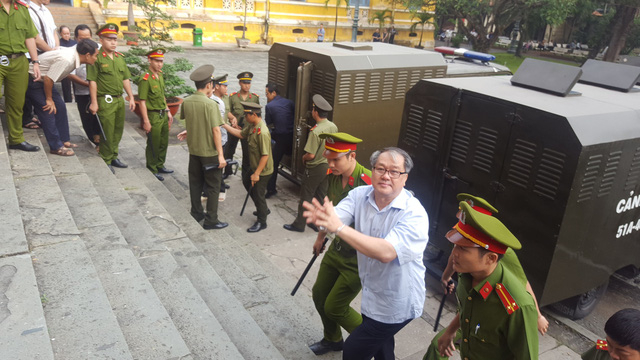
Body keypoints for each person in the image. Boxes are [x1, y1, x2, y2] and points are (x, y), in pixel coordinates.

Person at [302, 147, 429, 360]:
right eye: (381, 168)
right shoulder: (360, 195)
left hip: (396, 302)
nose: (386, 175)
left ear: (404, 178)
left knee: (353, 351)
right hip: (372, 295)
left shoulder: (414, 214)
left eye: (394, 171)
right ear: (372, 170)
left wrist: (338, 228)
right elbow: (338, 215)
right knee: (383, 347)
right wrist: (326, 219)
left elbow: (386, 252)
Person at [423, 201, 539, 360]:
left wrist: (539, 316)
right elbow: (468, 309)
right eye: (455, 245)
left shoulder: (516, 307)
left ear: (491, 258)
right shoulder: (467, 274)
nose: (454, 253)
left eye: (463, 248)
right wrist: (450, 331)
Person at [440, 193, 550, 336]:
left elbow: (522, 282)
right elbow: (452, 257)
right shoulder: (465, 245)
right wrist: (446, 277)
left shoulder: (502, 251)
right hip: (468, 303)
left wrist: (538, 316)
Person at [308, 132, 372, 356]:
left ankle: (374, 341)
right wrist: (320, 237)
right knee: (319, 295)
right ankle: (332, 339)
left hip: (358, 259)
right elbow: (332, 211)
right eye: (329, 158)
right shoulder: (333, 177)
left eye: (336, 159)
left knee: (335, 306)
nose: (331, 163)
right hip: (336, 250)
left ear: (352, 156)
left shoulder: (370, 183)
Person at [25, 39, 99, 156]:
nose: (97, 59)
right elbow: (49, 79)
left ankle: (64, 140)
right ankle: (55, 146)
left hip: (45, 80)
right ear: (88, 55)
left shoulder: (74, 54)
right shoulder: (67, 59)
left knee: (60, 106)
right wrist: (49, 99)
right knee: (48, 110)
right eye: (96, 56)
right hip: (35, 80)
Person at [176, 65, 228, 230]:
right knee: (213, 186)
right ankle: (211, 220)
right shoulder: (210, 104)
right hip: (209, 152)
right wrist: (220, 155)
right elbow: (216, 130)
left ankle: (196, 212)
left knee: (195, 183)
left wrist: (188, 131)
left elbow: (191, 121)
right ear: (208, 85)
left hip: (194, 151)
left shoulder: (187, 101)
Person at [284, 94, 337, 233]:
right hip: (327, 166)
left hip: (315, 168)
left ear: (315, 112)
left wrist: (303, 158)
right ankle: (317, 223)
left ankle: (299, 224)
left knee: (306, 196)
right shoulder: (333, 126)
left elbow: (311, 155)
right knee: (321, 195)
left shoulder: (315, 132)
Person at [87, 23, 135, 173]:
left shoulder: (119, 58)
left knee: (117, 130)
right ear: (101, 40)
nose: (113, 42)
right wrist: (94, 102)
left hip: (119, 99)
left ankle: (114, 155)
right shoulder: (97, 58)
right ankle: (106, 158)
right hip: (105, 100)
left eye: (115, 39)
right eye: (109, 39)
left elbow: (125, 78)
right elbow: (92, 81)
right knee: (107, 131)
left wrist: (131, 97)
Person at [222, 102, 273, 233]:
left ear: (254, 115)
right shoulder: (252, 126)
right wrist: (225, 125)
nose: (244, 117)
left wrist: (256, 174)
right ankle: (263, 209)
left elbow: (265, 156)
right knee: (246, 181)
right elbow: (240, 134)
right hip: (254, 165)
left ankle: (262, 221)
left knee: (258, 193)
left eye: (246, 114)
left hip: (262, 170)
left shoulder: (262, 132)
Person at [1, 0, 42, 152]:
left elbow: (29, 37)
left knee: (17, 102)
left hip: (19, 61)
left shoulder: (23, 8)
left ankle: (16, 140)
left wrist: (35, 61)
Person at [138, 47, 174, 181]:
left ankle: (160, 164)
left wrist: (168, 111)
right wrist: (146, 121)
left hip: (162, 113)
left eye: (161, 61)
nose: (160, 64)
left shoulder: (160, 75)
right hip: (152, 115)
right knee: (154, 142)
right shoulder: (146, 78)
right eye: (157, 61)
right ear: (150, 60)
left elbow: (162, 95)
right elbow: (142, 101)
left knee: (163, 141)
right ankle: (152, 168)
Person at [23, 0, 57, 129]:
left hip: (48, 54)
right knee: (28, 88)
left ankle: (37, 115)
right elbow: (35, 38)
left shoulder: (46, 10)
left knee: (44, 86)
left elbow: (54, 31)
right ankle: (26, 117)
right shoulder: (27, 10)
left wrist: (56, 48)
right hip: (33, 55)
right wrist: (51, 51)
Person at [67, 24, 101, 147]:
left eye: (88, 37)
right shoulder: (73, 51)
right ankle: (93, 141)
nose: (85, 41)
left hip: (99, 92)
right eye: (82, 38)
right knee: (87, 119)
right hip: (82, 92)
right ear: (76, 38)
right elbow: (70, 75)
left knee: (100, 119)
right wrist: (88, 84)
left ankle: (101, 142)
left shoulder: (99, 49)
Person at [226, 71, 260, 184]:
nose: (247, 85)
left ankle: (245, 174)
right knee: (229, 150)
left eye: (249, 83)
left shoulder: (254, 98)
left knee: (247, 153)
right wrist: (232, 121)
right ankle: (227, 170)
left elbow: (258, 114)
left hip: (248, 130)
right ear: (240, 83)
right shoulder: (233, 97)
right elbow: (228, 111)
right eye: (245, 83)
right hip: (235, 128)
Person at [210, 73, 237, 201]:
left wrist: (232, 117)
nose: (226, 88)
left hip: (224, 135)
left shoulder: (224, 98)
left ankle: (220, 182)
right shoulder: (212, 100)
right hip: (217, 135)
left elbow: (227, 111)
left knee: (223, 159)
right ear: (216, 87)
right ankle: (218, 187)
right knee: (217, 163)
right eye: (224, 86)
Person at [264, 82, 294, 198]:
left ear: (274, 93)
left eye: (267, 94)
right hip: (292, 136)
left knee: (273, 163)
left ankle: (271, 189)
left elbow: (269, 124)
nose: (266, 96)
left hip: (280, 138)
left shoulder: (269, 106)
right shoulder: (290, 103)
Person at [58, 25, 76, 103]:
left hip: (74, 65)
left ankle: (77, 99)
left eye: (68, 33)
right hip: (64, 66)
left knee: (76, 82)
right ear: (61, 34)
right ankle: (67, 100)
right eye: (64, 34)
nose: (66, 35)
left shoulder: (74, 43)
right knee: (66, 84)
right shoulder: (58, 43)